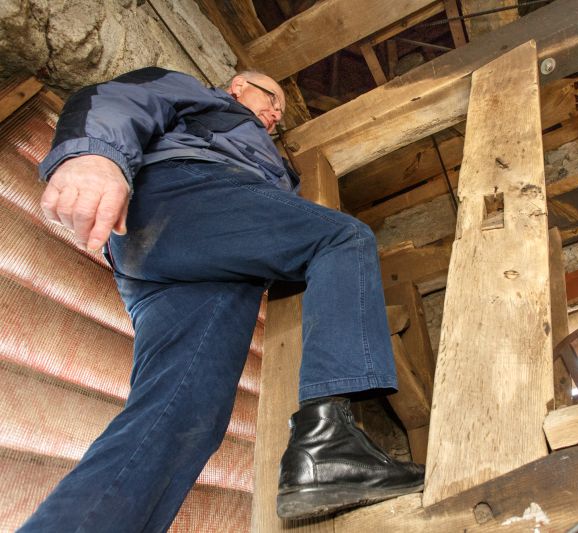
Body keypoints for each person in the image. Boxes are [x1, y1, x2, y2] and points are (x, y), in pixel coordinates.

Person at [21, 67, 424, 532]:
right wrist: (93, 156)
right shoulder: (204, 99)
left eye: (279, 112)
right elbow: (118, 97)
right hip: (178, 200)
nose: (275, 113)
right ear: (237, 87)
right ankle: (328, 445)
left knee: (183, 416)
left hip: (186, 264)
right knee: (340, 238)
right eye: (272, 97)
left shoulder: (267, 157)